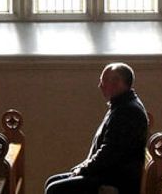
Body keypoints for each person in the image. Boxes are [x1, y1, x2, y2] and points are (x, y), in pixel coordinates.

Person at [45, 63, 148, 194]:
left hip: (116, 180)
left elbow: (109, 154)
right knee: (52, 181)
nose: (100, 86)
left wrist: (83, 169)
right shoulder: (122, 105)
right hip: (108, 173)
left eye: (103, 81)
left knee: (55, 189)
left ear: (117, 83)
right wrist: (82, 167)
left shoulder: (127, 111)